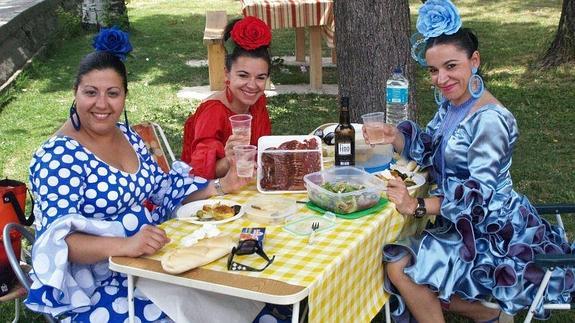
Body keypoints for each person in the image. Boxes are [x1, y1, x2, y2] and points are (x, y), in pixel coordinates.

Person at [24, 27, 257, 322]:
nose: (101, 104)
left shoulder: (128, 136)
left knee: (236, 294)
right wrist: (126, 244)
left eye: (112, 93)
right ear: (75, 93)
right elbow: (61, 242)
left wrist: (222, 185)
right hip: (96, 284)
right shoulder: (58, 157)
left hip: (146, 261)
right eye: (90, 92)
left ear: (124, 96)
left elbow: (164, 188)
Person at [371, 1, 574, 322]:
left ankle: (486, 310)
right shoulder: (455, 104)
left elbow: (477, 200)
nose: (441, 79)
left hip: (492, 234)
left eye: (451, 67)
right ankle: (486, 313)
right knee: (411, 269)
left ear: (474, 61)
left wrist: (417, 206)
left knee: (401, 266)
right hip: (464, 224)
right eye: (433, 71)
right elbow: (430, 148)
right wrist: (394, 135)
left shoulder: (490, 120)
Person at [181, 16, 272, 179]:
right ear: (226, 74)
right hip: (213, 198)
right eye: (243, 75)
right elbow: (198, 175)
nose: (252, 85)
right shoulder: (213, 113)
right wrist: (229, 159)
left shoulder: (257, 103)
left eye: (260, 77)